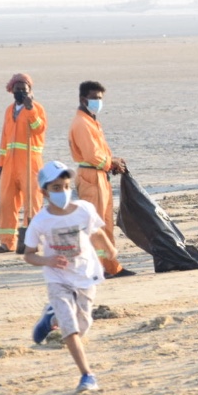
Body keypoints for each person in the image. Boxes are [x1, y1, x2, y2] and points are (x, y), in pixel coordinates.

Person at [23, 161, 105, 394]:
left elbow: (96, 231)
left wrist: (110, 249)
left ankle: (50, 319)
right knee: (70, 329)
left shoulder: (84, 209)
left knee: (83, 326)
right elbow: (29, 255)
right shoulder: (40, 221)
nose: (63, 192)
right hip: (57, 279)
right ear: (44, 192)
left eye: (67, 186)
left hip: (84, 275)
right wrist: (47, 260)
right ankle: (87, 375)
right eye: (56, 188)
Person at [68, 80, 135, 278]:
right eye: (94, 98)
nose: (98, 102)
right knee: (94, 225)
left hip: (99, 175)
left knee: (105, 223)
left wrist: (112, 163)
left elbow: (100, 152)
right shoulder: (82, 123)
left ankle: (111, 266)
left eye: (100, 98)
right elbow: (91, 155)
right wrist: (110, 162)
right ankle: (97, 268)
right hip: (91, 176)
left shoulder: (91, 121)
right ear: (83, 99)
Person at [0, 73, 48, 253]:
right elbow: (4, 138)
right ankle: (7, 242)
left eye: (24, 89)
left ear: (30, 90)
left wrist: (30, 110)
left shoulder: (37, 108)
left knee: (32, 202)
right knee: (6, 203)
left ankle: (31, 242)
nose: (21, 92)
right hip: (9, 164)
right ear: (12, 91)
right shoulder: (9, 110)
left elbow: (39, 129)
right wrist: (0, 163)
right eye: (18, 89)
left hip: (30, 162)